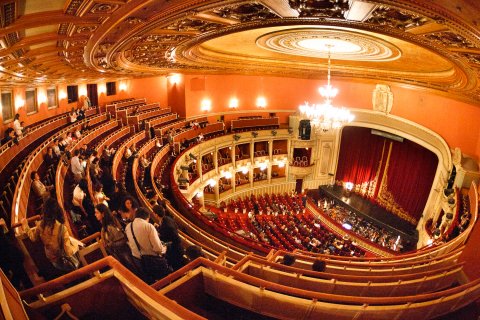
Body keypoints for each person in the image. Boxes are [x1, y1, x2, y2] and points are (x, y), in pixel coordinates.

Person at [22, 197, 80, 274]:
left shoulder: (41, 225)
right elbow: (68, 252)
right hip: (63, 260)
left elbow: (33, 238)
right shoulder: (62, 228)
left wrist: (26, 226)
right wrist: (76, 246)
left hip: (51, 258)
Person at [125, 207, 170, 283]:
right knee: (163, 281)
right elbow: (158, 249)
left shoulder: (128, 226)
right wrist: (164, 248)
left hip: (137, 261)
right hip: (152, 261)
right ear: (147, 217)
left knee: (150, 281)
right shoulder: (148, 226)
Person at [94, 204, 138, 274]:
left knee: (132, 270)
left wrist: (110, 244)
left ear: (103, 214)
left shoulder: (110, 226)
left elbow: (123, 239)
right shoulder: (105, 226)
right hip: (118, 253)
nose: (95, 214)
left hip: (123, 252)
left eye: (97, 212)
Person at [153, 205, 184, 270]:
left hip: (175, 250)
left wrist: (164, 243)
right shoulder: (166, 219)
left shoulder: (167, 226)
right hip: (173, 248)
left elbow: (176, 239)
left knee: (177, 269)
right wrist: (158, 227)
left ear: (156, 214)